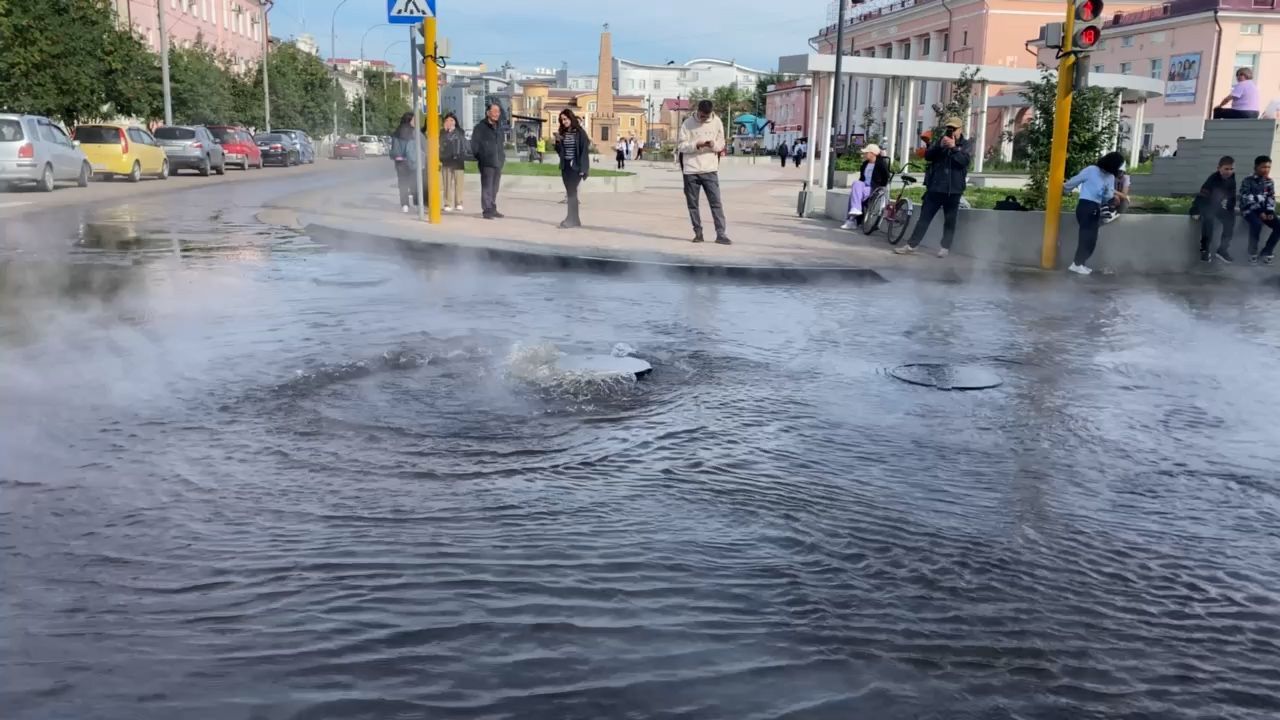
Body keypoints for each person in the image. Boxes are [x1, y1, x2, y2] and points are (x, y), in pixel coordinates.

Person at [896, 116, 970, 258]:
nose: (951, 131)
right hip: (935, 187)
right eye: (949, 128)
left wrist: (954, 148)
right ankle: (912, 245)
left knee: (950, 220)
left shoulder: (966, 144)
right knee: (924, 217)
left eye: (954, 129)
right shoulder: (940, 141)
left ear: (960, 129)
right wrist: (939, 146)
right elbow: (928, 156)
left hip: (953, 189)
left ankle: (945, 247)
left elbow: (964, 161)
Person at [1062, 151, 1128, 275]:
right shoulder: (1096, 171)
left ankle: (1080, 264)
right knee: (1087, 238)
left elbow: (1106, 194)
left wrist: (1112, 199)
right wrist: (1065, 189)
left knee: (1090, 238)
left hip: (1091, 207)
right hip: (1089, 206)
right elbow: (1076, 181)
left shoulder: (1104, 174)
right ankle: (1076, 264)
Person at [678, 99, 730, 244]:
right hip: (691, 170)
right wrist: (696, 145)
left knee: (716, 203)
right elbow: (681, 146)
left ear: (711, 113)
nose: (703, 119)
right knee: (693, 204)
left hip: (710, 169)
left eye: (706, 117)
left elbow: (721, 144)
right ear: (698, 111)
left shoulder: (717, 122)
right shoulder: (687, 123)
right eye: (701, 116)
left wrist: (713, 145)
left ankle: (721, 234)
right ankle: (698, 233)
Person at [1191, 155, 1237, 263]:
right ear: (1218, 168)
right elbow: (1201, 196)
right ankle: (1204, 249)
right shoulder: (1212, 179)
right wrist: (1195, 210)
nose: (1229, 172)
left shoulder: (1232, 179)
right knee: (1209, 219)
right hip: (1205, 205)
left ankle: (1222, 250)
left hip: (1217, 206)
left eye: (1231, 169)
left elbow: (1232, 197)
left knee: (1230, 220)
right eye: (1226, 169)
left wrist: (1231, 210)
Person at [554, 109, 590, 229]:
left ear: (571, 118)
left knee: (571, 192)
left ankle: (571, 219)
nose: (564, 122)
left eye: (565, 119)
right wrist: (558, 142)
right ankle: (575, 219)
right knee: (571, 192)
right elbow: (560, 152)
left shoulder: (579, 132)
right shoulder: (563, 132)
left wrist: (583, 168)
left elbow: (584, 150)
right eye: (562, 120)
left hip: (576, 167)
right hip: (566, 166)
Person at [1239, 154, 1278, 264]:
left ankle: (1267, 251)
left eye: (1268, 167)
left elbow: (1271, 197)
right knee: (1256, 224)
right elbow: (1246, 198)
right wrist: (1260, 211)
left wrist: (1270, 211)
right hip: (1249, 209)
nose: (1266, 170)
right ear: (1256, 167)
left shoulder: (1269, 181)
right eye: (1263, 167)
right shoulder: (1248, 180)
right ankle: (1252, 252)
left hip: (1264, 211)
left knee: (1278, 226)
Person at [841, 144, 890, 230]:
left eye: (866, 153)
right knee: (856, 183)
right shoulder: (865, 164)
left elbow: (886, 177)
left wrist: (881, 188)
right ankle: (855, 210)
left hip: (874, 187)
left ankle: (851, 220)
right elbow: (861, 178)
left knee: (854, 195)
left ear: (873, 153)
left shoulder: (881, 164)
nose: (864, 154)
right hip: (864, 186)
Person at [471, 103, 505, 219]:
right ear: (488, 113)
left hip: (498, 162)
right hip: (486, 163)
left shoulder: (499, 127)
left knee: (495, 187)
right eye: (494, 111)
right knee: (487, 187)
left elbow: (500, 144)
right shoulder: (480, 128)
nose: (497, 114)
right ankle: (487, 210)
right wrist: (482, 157)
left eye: (498, 112)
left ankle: (492, 207)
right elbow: (474, 146)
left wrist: (502, 158)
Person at [389, 112, 420, 213]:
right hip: (411, 161)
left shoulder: (397, 132)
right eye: (414, 120)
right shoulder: (414, 132)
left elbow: (394, 148)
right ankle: (417, 203)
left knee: (403, 184)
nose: (416, 122)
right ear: (409, 120)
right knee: (415, 183)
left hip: (399, 162)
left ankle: (405, 205)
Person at [439, 112, 467, 212]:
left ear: (455, 122)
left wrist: (453, 131)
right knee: (447, 183)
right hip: (446, 160)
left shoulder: (460, 131)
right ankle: (447, 203)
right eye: (447, 120)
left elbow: (462, 142)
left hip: (458, 160)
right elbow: (440, 145)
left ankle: (459, 202)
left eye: (451, 120)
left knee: (458, 183)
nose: (449, 122)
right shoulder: (442, 132)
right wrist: (446, 133)